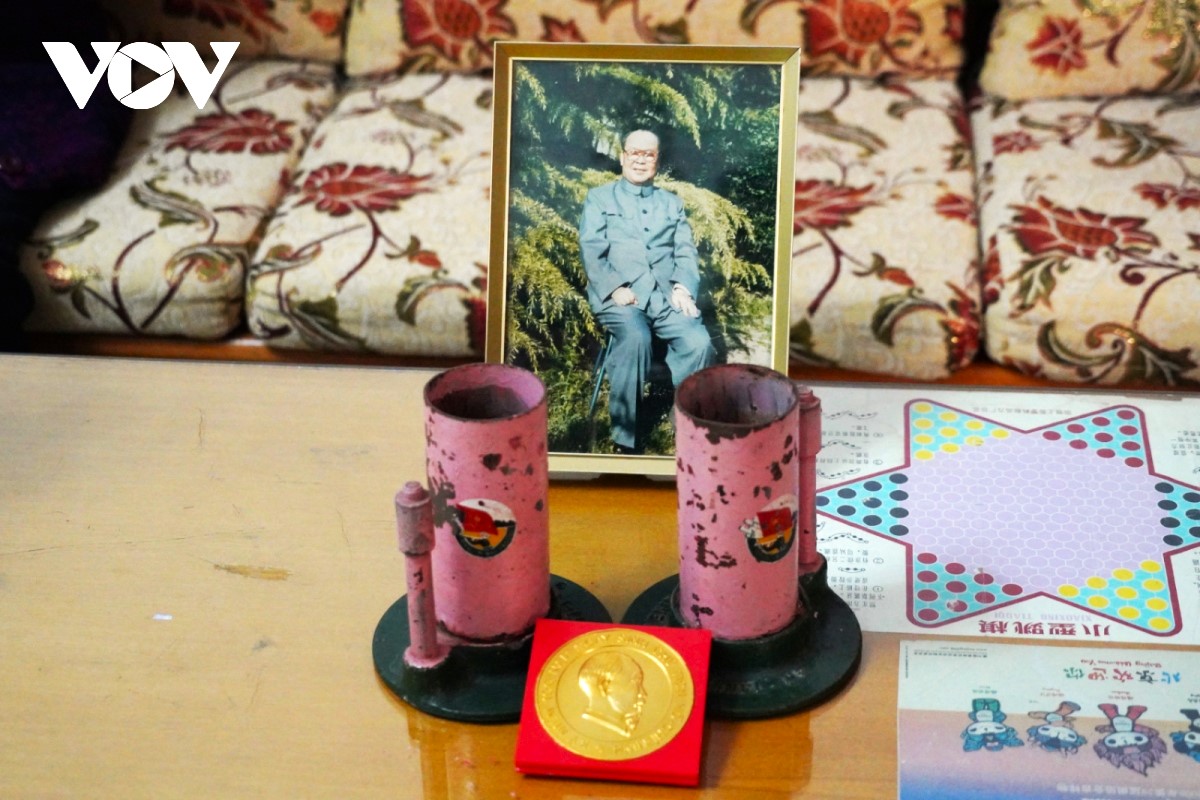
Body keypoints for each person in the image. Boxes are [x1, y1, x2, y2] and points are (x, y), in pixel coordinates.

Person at [578, 130, 715, 454]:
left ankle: (685, 424)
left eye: (648, 155)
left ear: (657, 160)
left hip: (665, 296)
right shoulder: (600, 198)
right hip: (621, 295)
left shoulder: (672, 203)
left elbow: (685, 252)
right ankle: (625, 437)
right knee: (636, 338)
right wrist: (614, 288)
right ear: (623, 157)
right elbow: (591, 249)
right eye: (634, 153)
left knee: (699, 343)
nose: (640, 160)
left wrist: (683, 288)